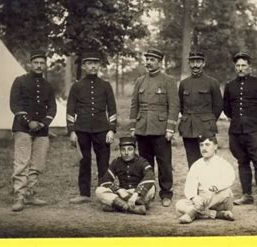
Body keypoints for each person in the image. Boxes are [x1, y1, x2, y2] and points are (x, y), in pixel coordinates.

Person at [223, 51, 257, 211]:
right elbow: (226, 109)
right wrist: (238, 121)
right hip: (236, 132)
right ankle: (247, 195)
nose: (240, 68)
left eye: (244, 65)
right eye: (238, 65)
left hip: (255, 131)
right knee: (242, 162)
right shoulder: (229, 86)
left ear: (250, 67)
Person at [129, 48, 180, 207]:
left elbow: (174, 105)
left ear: (159, 62)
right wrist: (133, 127)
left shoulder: (168, 80)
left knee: (164, 162)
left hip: (160, 128)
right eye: (147, 59)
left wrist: (170, 128)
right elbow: (134, 105)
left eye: (152, 60)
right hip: (142, 128)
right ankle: (147, 192)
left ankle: (166, 193)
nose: (149, 62)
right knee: (145, 163)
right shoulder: (140, 81)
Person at [66, 52, 117, 204]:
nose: (93, 66)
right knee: (84, 161)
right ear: (83, 66)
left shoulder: (106, 86)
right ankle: (84, 194)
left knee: (103, 161)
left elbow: (112, 110)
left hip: (102, 130)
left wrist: (111, 129)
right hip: (82, 130)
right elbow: (70, 110)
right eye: (89, 63)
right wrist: (72, 131)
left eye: (96, 63)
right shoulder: (76, 87)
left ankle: (104, 193)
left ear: (99, 65)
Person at [9, 49, 57, 212]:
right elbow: (15, 104)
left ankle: (30, 194)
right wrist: (28, 122)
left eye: (42, 63)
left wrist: (43, 124)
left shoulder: (48, 86)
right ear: (30, 64)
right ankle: (19, 196)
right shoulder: (20, 81)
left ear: (45, 65)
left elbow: (52, 108)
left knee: (38, 163)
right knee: (22, 162)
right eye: (36, 63)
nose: (38, 66)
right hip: (22, 128)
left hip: (42, 131)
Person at [175, 136, 236, 224]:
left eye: (207, 145)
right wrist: (195, 198)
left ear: (215, 146)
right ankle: (217, 214)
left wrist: (214, 190)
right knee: (179, 205)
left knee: (227, 191)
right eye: (201, 145)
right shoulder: (197, 165)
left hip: (220, 200)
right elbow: (190, 186)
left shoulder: (223, 164)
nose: (204, 148)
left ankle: (192, 213)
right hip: (202, 200)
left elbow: (229, 179)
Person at [178, 51, 223, 168]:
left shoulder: (212, 82)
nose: (195, 65)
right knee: (192, 162)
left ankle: (210, 186)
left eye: (198, 62)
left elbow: (218, 106)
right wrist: (189, 119)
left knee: (209, 160)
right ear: (189, 63)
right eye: (192, 62)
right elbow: (181, 106)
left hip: (206, 127)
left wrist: (209, 121)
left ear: (203, 63)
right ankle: (195, 185)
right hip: (188, 128)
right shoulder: (184, 84)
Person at [95, 136, 156, 215]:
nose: (126, 153)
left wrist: (136, 193)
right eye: (123, 150)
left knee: (152, 188)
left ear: (134, 150)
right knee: (99, 190)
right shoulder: (116, 162)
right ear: (120, 151)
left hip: (138, 195)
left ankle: (117, 206)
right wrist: (118, 190)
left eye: (130, 149)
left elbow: (150, 177)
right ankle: (132, 208)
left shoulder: (142, 162)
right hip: (123, 193)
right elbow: (105, 180)